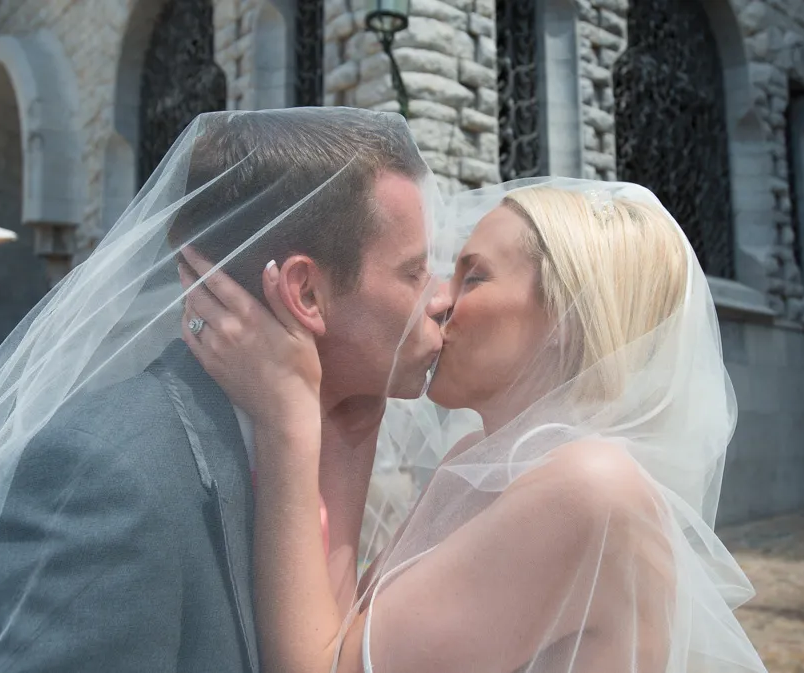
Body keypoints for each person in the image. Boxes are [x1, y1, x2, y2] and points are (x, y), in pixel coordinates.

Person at [0, 108, 448, 673]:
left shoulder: (318, 441)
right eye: (412, 272)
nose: (441, 296)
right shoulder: (111, 470)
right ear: (306, 293)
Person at [183, 178, 768, 672]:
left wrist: (287, 420)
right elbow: (342, 636)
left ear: (567, 313)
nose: (439, 300)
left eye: (474, 276)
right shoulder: (476, 458)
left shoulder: (589, 486)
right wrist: (356, 409)